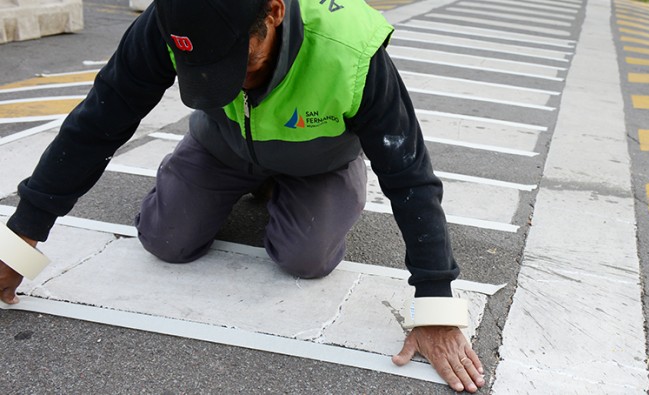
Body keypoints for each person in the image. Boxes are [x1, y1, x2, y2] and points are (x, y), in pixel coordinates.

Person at [0, 0, 485, 391]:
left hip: (318, 161)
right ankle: (217, 180)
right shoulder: (169, 18)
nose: (232, 82)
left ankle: (299, 187)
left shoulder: (349, 47)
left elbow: (410, 174)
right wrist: (20, 238)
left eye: (241, 63)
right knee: (165, 240)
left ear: (273, 11)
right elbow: (97, 123)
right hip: (223, 147)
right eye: (201, 71)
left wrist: (436, 303)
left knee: (307, 257)